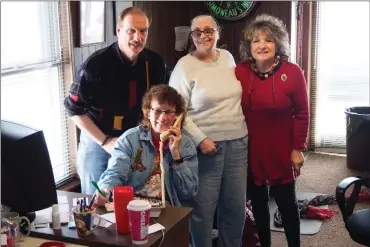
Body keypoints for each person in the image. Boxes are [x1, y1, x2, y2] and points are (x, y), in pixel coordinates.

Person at [64, 7, 167, 194]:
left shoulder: (155, 62)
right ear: (119, 31)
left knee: (131, 203)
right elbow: (73, 109)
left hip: (136, 141)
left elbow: (161, 104)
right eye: (131, 31)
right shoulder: (95, 65)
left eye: (143, 31)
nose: (137, 37)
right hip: (99, 141)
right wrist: (105, 141)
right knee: (96, 204)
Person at [169, 14, 249, 247]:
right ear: (191, 36)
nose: (204, 36)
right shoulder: (184, 66)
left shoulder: (228, 57)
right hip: (206, 148)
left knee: (235, 208)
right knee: (203, 210)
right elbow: (177, 112)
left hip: (238, 143)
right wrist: (200, 139)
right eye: (197, 32)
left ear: (217, 33)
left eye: (209, 30)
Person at [235, 14, 309, 247]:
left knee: (287, 202)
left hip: (282, 149)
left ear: (277, 43)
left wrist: (297, 148)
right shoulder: (239, 72)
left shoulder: (293, 72)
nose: (262, 45)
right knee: (258, 205)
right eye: (256, 40)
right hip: (252, 150)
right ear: (249, 46)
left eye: (268, 40)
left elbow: (302, 114)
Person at [95, 84, 198, 210]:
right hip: (133, 208)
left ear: (177, 116)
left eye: (169, 112)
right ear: (148, 113)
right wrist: (106, 189)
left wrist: (176, 155)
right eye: (158, 111)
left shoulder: (185, 144)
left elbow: (189, 192)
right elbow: (115, 172)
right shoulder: (129, 139)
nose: (163, 118)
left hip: (168, 210)